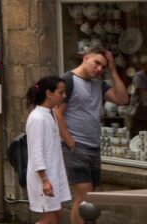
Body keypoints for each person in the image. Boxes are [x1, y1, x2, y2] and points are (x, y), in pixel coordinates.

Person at [56, 44, 129, 224]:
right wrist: (71, 143)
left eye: (103, 66)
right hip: (76, 148)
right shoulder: (68, 81)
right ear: (86, 57)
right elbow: (57, 113)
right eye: (97, 63)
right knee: (86, 198)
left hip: (94, 147)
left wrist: (113, 69)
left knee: (86, 199)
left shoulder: (99, 84)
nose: (99, 69)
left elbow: (122, 99)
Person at [27, 75, 72, 224]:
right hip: (44, 177)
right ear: (48, 93)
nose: (63, 96)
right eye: (60, 92)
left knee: (56, 216)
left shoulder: (50, 114)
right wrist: (45, 180)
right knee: (50, 219)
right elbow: (36, 152)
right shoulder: (37, 118)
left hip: (53, 174)